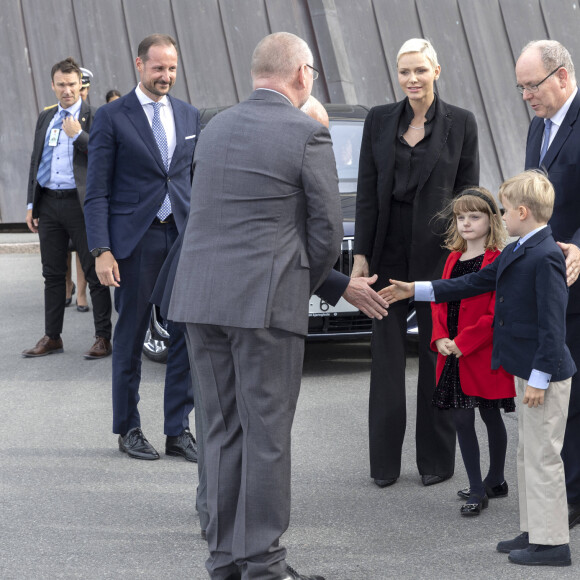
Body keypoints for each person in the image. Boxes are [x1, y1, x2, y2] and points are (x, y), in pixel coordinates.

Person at [152, 92, 388, 544]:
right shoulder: (290, 143)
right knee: (250, 427)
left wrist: (335, 285)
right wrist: (335, 284)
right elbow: (309, 238)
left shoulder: (223, 127)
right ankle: (244, 543)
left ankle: (222, 538)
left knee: (220, 422)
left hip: (203, 292)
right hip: (242, 295)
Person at [169, 31, 345, 580]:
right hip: (266, 304)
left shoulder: (213, 126)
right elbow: (326, 234)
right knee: (267, 435)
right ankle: (264, 564)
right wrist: (303, 282)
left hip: (201, 297)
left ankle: (224, 560)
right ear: (302, 73)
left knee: (220, 431)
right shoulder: (306, 132)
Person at [383, 170, 575, 567]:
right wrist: (416, 289)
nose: (501, 217)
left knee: (542, 458)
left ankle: (553, 544)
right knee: (528, 457)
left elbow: (552, 327)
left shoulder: (546, 256)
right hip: (526, 371)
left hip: (544, 376)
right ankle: (534, 532)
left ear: (522, 212)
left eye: (503, 211)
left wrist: (539, 380)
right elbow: (474, 283)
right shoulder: (521, 248)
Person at [352, 38, 479, 488]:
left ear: (436, 71)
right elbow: (367, 191)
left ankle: (436, 462)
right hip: (385, 255)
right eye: (405, 71)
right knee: (385, 361)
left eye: (420, 71)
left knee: (437, 356)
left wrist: (465, 261)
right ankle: (384, 465)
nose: (412, 80)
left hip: (438, 258)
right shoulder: (379, 120)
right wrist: (361, 256)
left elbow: (469, 199)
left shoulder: (462, 123)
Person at [84, 34, 199, 462]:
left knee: (185, 334)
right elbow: (95, 192)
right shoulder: (113, 117)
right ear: (139, 65)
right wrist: (102, 250)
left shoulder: (189, 116)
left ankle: (177, 430)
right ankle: (129, 427)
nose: (166, 76)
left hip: (182, 238)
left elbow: (192, 180)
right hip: (134, 242)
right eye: (158, 68)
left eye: (171, 68)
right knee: (130, 336)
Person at [516, 39, 580, 530]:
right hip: (547, 280)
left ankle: (570, 500)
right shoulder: (538, 126)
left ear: (562, 76)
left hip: (576, 274)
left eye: (532, 85)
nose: (526, 96)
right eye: (520, 88)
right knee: (558, 393)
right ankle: (556, 503)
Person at [429, 188, 515, 517]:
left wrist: (463, 343)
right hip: (450, 353)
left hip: (480, 354)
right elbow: (438, 300)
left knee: (490, 415)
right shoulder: (452, 258)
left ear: (491, 220)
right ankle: (477, 488)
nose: (466, 223)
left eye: (474, 216)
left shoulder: (498, 259)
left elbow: (495, 313)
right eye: (460, 217)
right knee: (462, 419)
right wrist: (439, 338)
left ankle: (496, 479)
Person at [23, 57, 112, 360]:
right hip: (48, 202)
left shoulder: (96, 116)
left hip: (81, 204)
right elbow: (36, 161)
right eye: (61, 85)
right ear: (53, 85)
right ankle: (52, 337)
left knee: (94, 271)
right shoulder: (45, 117)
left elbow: (104, 157)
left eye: (72, 85)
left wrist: (78, 135)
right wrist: (32, 204)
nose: (67, 90)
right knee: (52, 274)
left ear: (81, 86)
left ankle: (102, 337)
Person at [64, 66, 94, 312]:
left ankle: (82, 294)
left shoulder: (94, 116)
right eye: (75, 87)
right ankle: (67, 286)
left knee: (82, 251)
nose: (78, 92)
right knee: (63, 248)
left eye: (82, 88)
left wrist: (78, 135)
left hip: (83, 195)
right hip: (59, 196)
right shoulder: (53, 115)